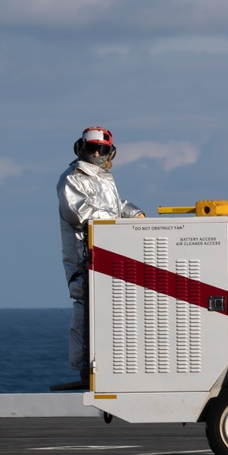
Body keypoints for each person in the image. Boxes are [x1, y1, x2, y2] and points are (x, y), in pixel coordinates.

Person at [57, 126, 144, 388]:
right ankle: (85, 369)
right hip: (84, 258)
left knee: (109, 310)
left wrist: (136, 214)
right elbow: (80, 213)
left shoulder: (104, 178)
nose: (96, 152)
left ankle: (110, 367)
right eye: (92, 147)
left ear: (110, 151)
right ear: (81, 147)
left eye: (102, 149)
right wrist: (117, 221)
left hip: (106, 255)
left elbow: (115, 205)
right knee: (85, 308)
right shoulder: (73, 177)